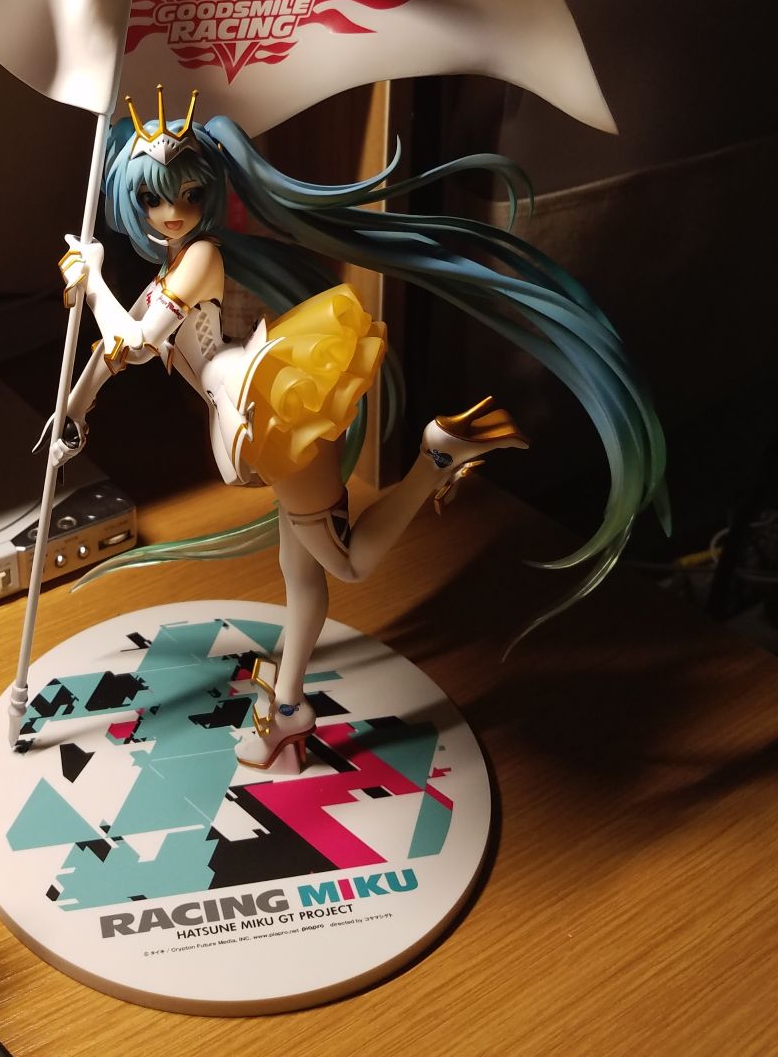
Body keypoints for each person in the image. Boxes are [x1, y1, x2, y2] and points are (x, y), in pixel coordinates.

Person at [51, 87, 666, 772]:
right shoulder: (171, 267)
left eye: (190, 195)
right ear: (130, 200)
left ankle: (436, 456)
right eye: (153, 199)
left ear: (210, 193)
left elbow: (136, 338)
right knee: (301, 574)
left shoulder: (199, 258)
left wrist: (94, 280)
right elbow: (119, 353)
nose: (173, 212)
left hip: (268, 411)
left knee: (346, 563)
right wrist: (73, 412)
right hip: (256, 412)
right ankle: (288, 708)